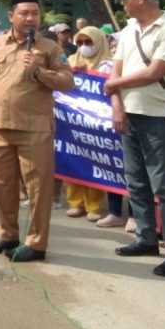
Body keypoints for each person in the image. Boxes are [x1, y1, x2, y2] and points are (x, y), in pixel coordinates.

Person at [0, 0, 75, 260]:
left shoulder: (50, 48)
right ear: (11, 16)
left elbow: (68, 82)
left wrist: (39, 72)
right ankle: (7, 236)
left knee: (38, 190)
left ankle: (36, 244)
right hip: (1, 128)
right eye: (25, 13)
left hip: (35, 130)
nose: (31, 18)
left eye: (35, 13)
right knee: (2, 184)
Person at [103, 0, 165, 277]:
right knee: (135, 181)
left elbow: (155, 72)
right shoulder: (128, 30)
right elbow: (117, 68)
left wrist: (114, 85)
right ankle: (146, 238)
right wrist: (117, 105)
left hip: (156, 113)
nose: (123, 3)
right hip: (128, 112)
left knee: (164, 186)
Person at [64, 26, 111, 222]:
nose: (84, 47)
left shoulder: (108, 65)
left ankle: (94, 205)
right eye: (80, 43)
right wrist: (72, 71)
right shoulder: (71, 61)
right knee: (73, 158)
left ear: (99, 42)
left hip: (96, 123)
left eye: (88, 42)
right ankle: (75, 203)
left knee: (95, 161)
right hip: (73, 120)